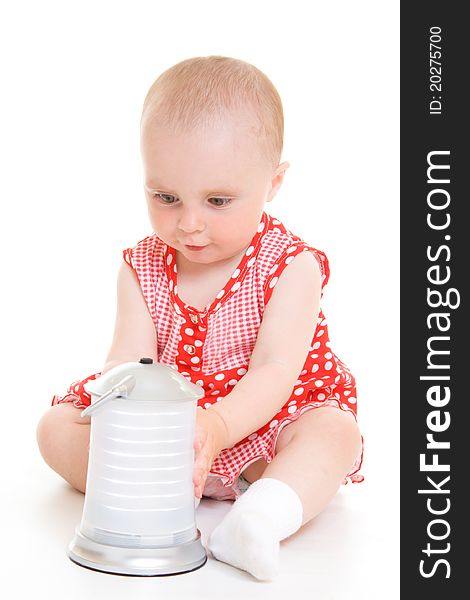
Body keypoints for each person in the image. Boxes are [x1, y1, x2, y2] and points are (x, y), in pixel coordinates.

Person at [36, 55, 363, 581]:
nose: (189, 224)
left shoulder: (290, 265)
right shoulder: (141, 266)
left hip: (262, 424)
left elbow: (276, 373)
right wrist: (135, 430)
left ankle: (261, 514)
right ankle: (157, 499)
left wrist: (217, 423)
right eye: (165, 197)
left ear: (273, 182)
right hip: (164, 439)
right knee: (56, 428)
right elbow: (126, 364)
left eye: (217, 200)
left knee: (334, 433)